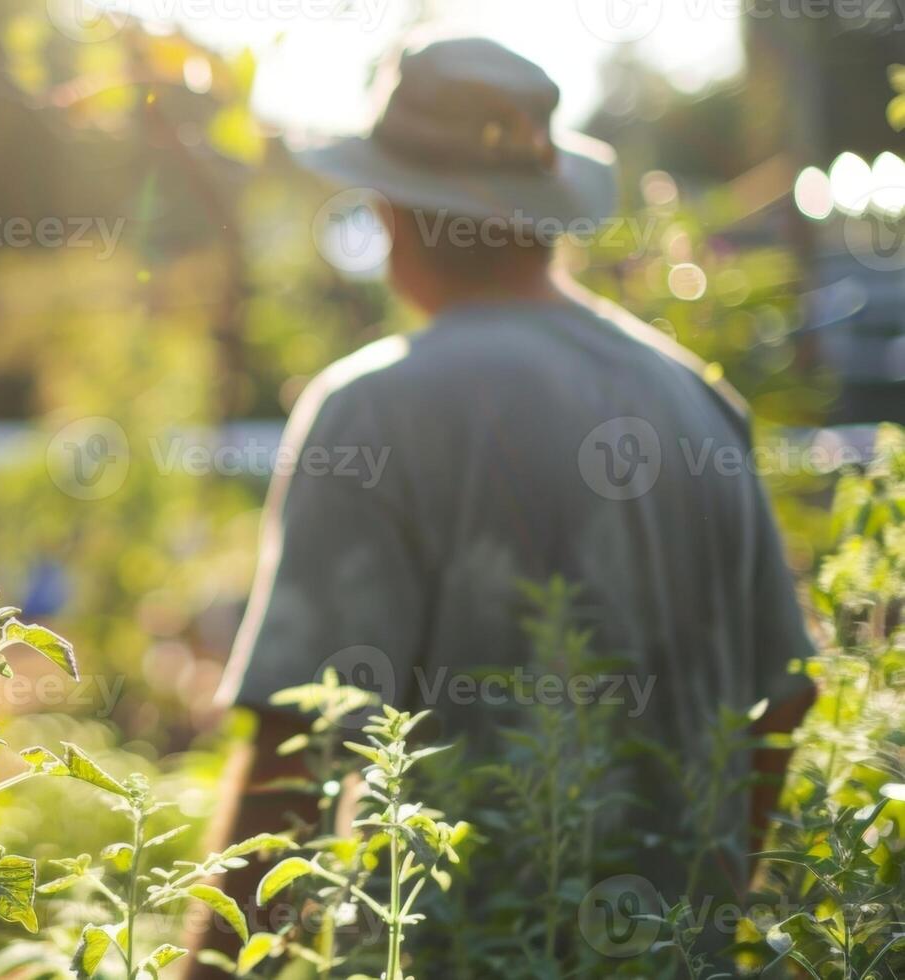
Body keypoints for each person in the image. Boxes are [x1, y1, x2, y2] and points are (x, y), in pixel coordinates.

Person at [186, 34, 817, 975]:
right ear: (541, 210)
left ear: (398, 209)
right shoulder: (694, 401)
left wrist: (209, 967)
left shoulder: (374, 409)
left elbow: (297, 760)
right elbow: (783, 699)